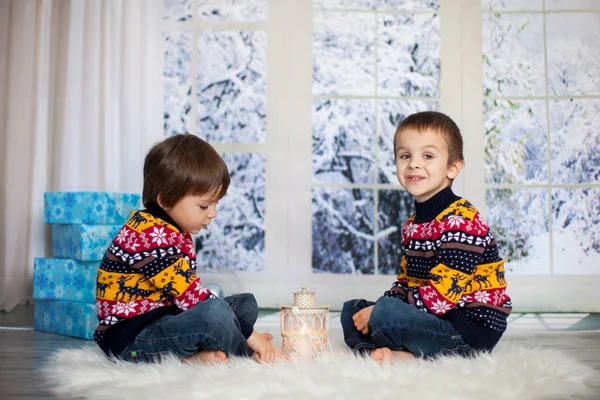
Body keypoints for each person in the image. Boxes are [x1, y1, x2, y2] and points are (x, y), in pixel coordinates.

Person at [94, 134, 282, 364]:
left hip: (164, 318)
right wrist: (252, 338)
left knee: (245, 304)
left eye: (215, 204)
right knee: (215, 314)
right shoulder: (148, 234)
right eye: (204, 205)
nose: (212, 213)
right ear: (165, 201)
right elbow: (190, 295)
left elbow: (184, 298)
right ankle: (242, 354)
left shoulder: (173, 228)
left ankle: (195, 356)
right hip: (131, 339)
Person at [341, 111, 512, 362]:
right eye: (405, 155)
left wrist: (381, 310)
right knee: (351, 310)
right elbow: (406, 282)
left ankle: (428, 353)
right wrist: (379, 305)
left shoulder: (460, 220)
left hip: (467, 329)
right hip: (434, 316)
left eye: (428, 156)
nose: (414, 164)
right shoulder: (413, 225)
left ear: (453, 167)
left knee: (384, 313)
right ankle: (396, 354)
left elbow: (443, 296)